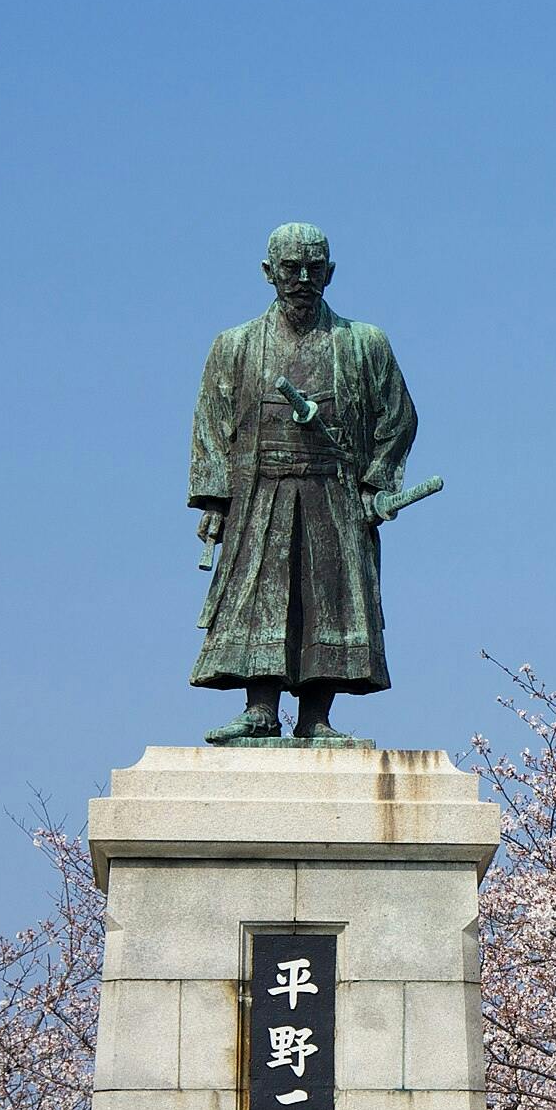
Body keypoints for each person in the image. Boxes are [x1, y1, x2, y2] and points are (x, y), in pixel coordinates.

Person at [188, 223, 419, 743]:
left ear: (330, 273)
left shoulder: (363, 344)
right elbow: (211, 423)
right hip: (259, 492)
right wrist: (215, 499)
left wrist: (375, 484)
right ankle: (261, 710)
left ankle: (316, 717)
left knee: (331, 600)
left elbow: (399, 418)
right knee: (255, 596)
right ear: (269, 273)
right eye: (290, 267)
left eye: (313, 267)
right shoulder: (235, 346)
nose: (302, 277)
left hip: (334, 494)